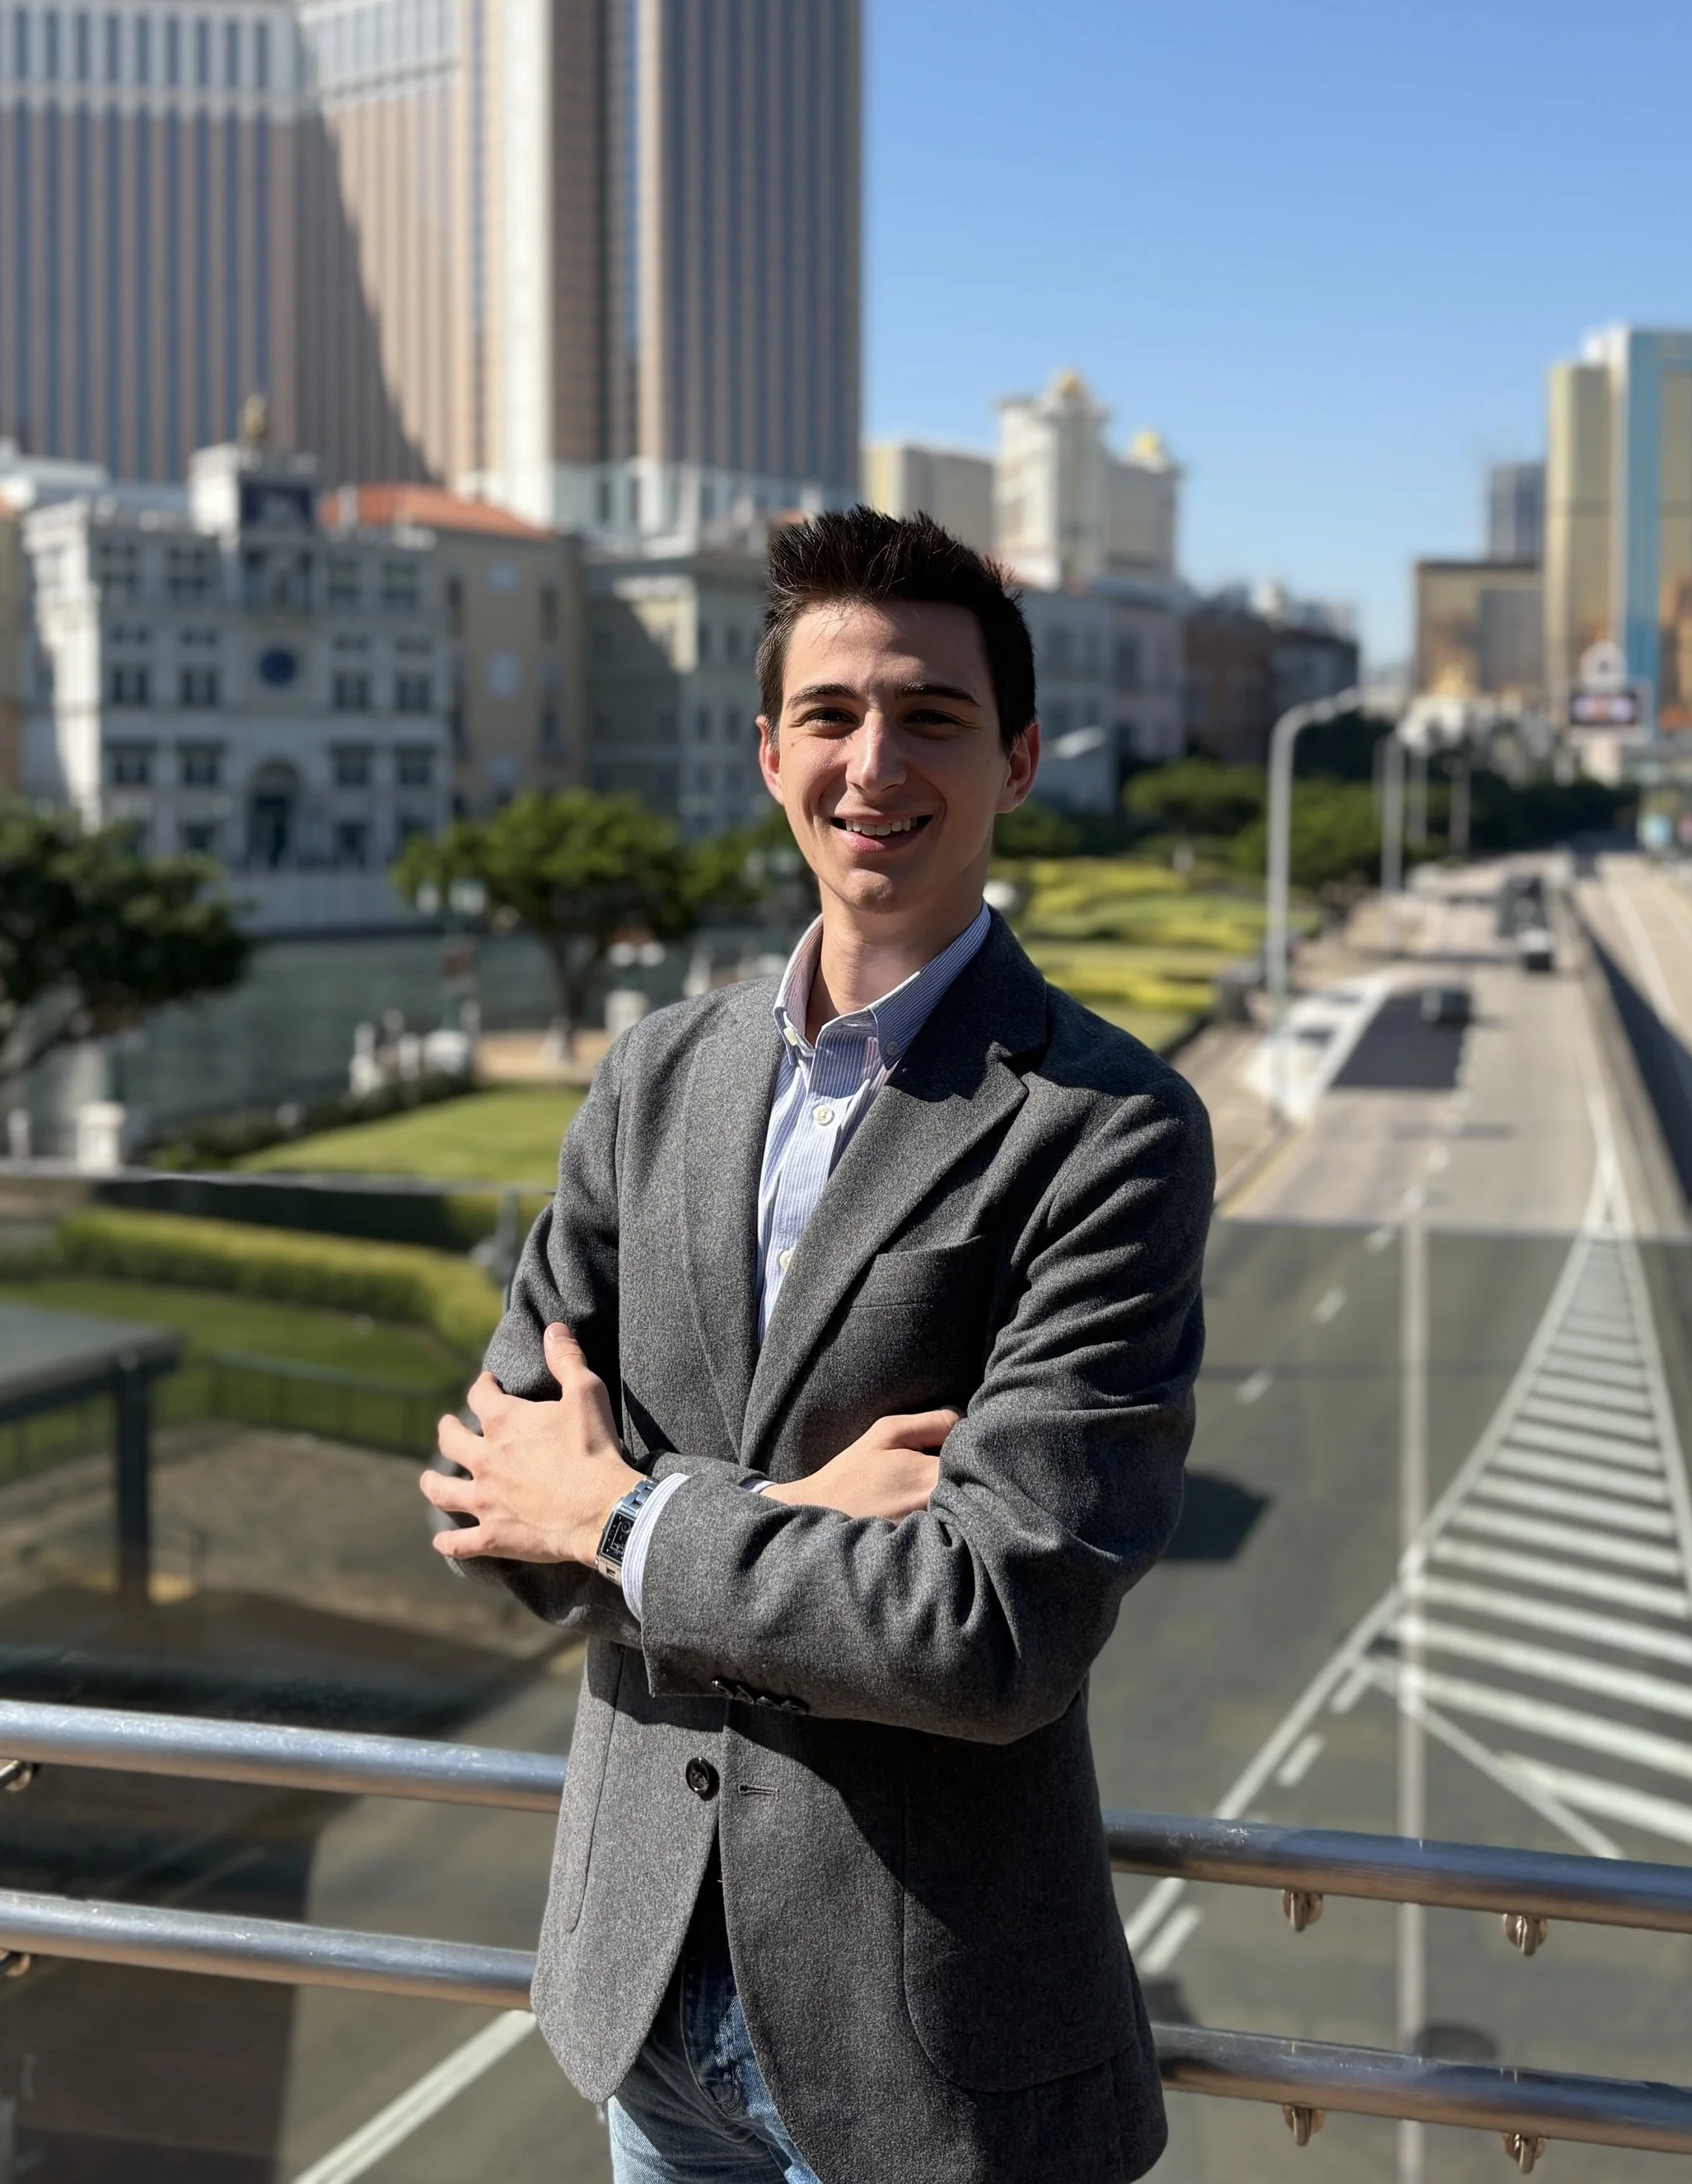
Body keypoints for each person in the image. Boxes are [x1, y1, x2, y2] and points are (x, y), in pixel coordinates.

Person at [421, 507, 1213, 2184]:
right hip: (642, 2008)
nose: (875, 763)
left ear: (1015, 758)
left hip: (919, 2051)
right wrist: (780, 1510)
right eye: (835, 716)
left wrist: (630, 1517)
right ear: (766, 747)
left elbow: (990, 1632)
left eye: (929, 716)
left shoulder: (1107, 1128)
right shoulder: (655, 1076)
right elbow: (493, 1495)